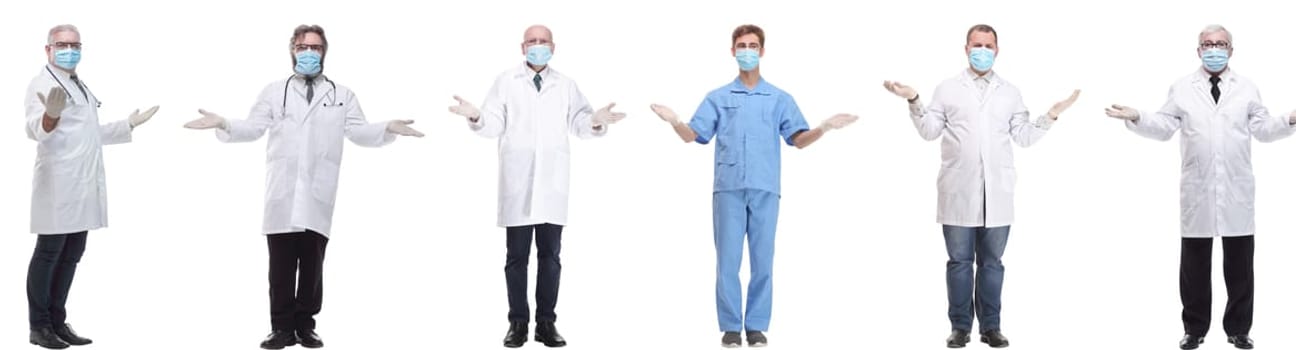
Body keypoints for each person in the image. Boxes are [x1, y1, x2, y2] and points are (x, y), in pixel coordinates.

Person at [181, 24, 425, 350]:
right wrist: (224, 123)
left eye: (315, 47)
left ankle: (306, 326)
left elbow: (360, 132)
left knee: (312, 266)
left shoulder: (342, 95)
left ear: (324, 52)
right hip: (282, 194)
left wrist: (388, 128)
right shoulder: (273, 92)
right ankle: (281, 328)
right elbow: (253, 127)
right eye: (301, 47)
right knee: (280, 267)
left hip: (317, 194)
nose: (308, 53)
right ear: (292, 51)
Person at [1102, 24, 1296, 350]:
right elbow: (1164, 126)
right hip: (1198, 191)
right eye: (1207, 44)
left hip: (1236, 191)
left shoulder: (1246, 88)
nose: (1213, 49)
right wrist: (1137, 116)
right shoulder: (1182, 88)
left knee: (1240, 266)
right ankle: (1194, 329)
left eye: (1220, 44)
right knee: (1194, 267)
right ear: (1198, 50)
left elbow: (1262, 128)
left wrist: (1289, 119)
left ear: (1231, 50)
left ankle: (1238, 329)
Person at [647, 24, 858, 348]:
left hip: (765, 188)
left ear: (762, 51)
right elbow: (695, 136)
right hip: (728, 189)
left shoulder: (778, 98)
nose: (747, 50)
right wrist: (675, 121)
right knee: (727, 262)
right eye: (742, 45)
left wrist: (824, 127)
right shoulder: (717, 97)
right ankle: (731, 327)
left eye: (753, 45)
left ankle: (757, 326)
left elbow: (797, 140)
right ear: (732, 51)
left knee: (763, 261)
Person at [881, 24, 1080, 349]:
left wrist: (1052, 115)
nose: (982, 51)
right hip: (958, 190)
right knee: (959, 263)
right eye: (977, 45)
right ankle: (960, 328)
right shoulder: (947, 88)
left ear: (997, 50)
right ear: (966, 48)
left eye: (988, 45)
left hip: (998, 192)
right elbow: (929, 131)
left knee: (992, 264)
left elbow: (1024, 137)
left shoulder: (1010, 91)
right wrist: (914, 99)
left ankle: (991, 327)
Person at [445, 24, 625, 349]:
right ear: (522, 46)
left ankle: (546, 323)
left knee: (551, 257)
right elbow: (493, 123)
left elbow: (580, 124)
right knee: (516, 258)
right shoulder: (506, 81)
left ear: (553, 47)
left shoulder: (566, 85)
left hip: (552, 186)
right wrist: (476, 117)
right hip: (518, 183)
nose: (537, 46)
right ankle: (517, 323)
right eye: (532, 41)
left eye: (543, 41)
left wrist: (595, 119)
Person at [22, 24, 159, 350]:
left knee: (72, 254)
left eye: (74, 44)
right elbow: (34, 129)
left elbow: (89, 134)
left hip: (83, 185)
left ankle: (57, 321)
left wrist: (127, 125)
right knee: (49, 253)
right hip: (58, 185)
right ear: (48, 50)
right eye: (61, 44)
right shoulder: (40, 83)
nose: (69, 49)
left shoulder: (77, 84)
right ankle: (38, 326)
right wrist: (49, 117)